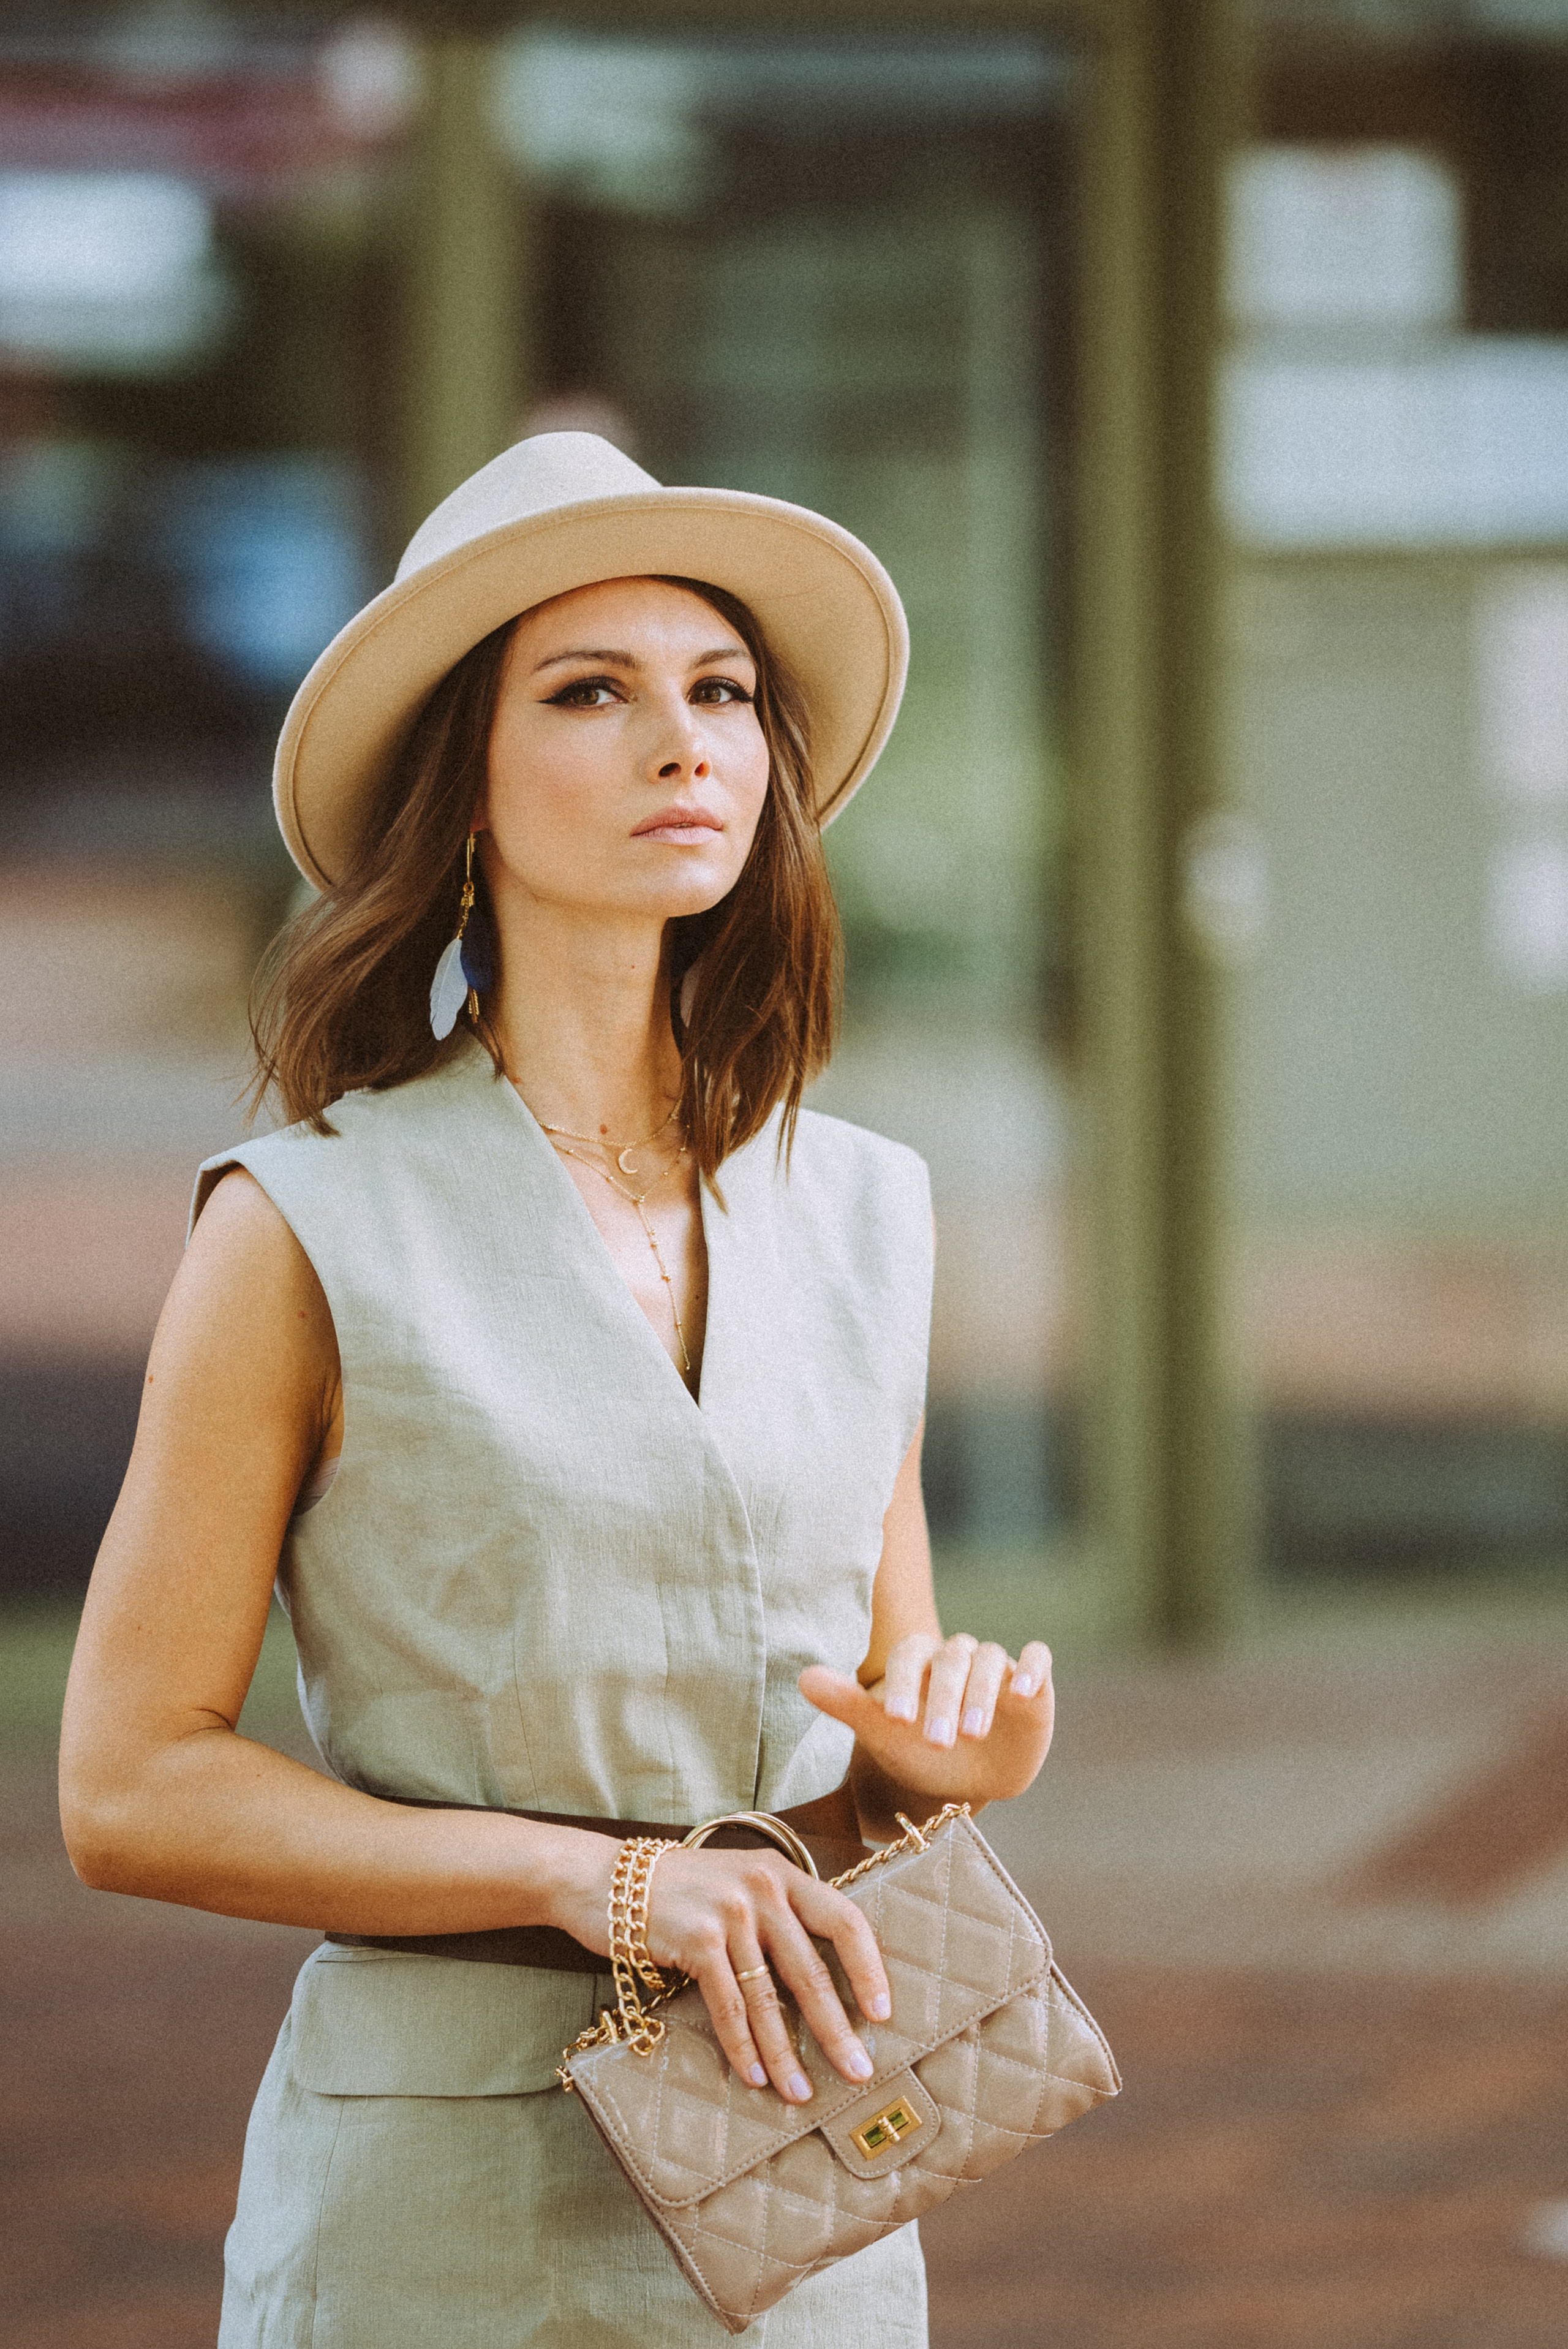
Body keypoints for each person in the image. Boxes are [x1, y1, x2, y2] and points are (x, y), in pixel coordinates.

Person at [59, 433, 1056, 2348]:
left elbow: (853, 1766)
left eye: (722, 692)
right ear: (464, 790)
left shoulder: (864, 1212)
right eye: (592, 692)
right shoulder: (306, 1224)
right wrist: (599, 1883)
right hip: (445, 2222)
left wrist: (941, 1773)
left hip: (812, 2190)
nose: (683, 742)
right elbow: (126, 1783)